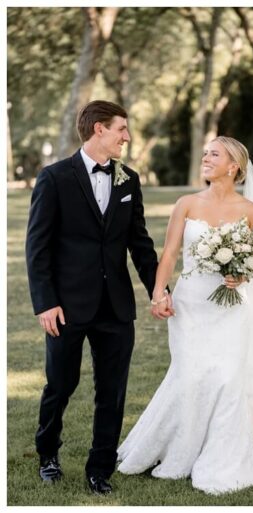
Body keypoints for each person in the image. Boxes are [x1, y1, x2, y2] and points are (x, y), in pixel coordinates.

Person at [117, 136, 253, 494]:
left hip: (233, 309)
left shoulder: (251, 211)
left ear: (233, 166)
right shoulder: (186, 203)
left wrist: (242, 274)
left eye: (213, 154)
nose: (205, 158)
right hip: (191, 305)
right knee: (190, 376)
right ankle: (179, 451)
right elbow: (170, 254)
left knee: (226, 379)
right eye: (204, 153)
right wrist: (159, 293)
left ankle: (222, 458)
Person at [26, 100, 166, 495]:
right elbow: (37, 248)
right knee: (60, 385)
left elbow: (139, 243)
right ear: (98, 129)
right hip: (66, 307)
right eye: (122, 128)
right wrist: (45, 302)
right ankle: (48, 454)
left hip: (116, 307)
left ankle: (100, 466)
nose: (127, 136)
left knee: (112, 390)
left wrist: (159, 289)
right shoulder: (54, 178)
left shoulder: (129, 179)